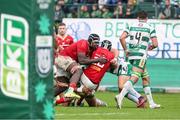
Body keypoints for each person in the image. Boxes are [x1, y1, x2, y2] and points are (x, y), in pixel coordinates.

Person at [115, 11, 159, 109]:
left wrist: (126, 49)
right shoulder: (150, 27)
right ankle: (120, 96)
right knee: (134, 77)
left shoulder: (131, 25)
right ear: (147, 18)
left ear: (138, 18)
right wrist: (150, 47)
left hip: (130, 55)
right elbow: (155, 44)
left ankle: (151, 103)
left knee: (145, 77)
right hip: (141, 55)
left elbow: (122, 38)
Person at [55, 40, 118, 106]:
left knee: (74, 83)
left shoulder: (95, 50)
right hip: (93, 84)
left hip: (85, 77)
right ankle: (79, 100)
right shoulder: (111, 56)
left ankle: (69, 93)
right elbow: (115, 55)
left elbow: (83, 61)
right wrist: (115, 59)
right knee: (90, 101)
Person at [55, 33, 107, 99]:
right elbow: (82, 61)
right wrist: (98, 60)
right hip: (63, 58)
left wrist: (113, 59)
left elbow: (87, 62)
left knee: (63, 86)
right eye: (95, 42)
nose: (97, 44)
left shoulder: (93, 49)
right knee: (78, 70)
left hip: (66, 62)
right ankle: (70, 91)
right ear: (90, 41)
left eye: (98, 43)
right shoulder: (83, 43)